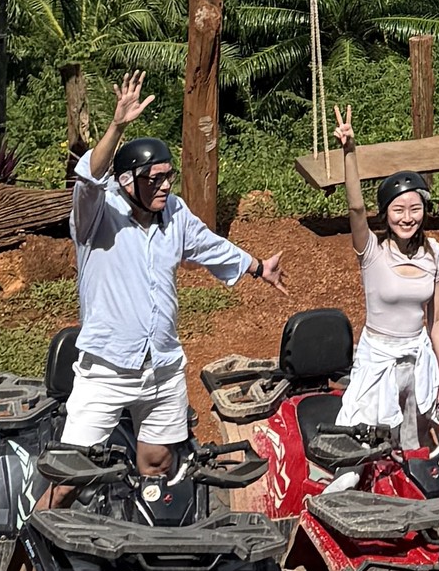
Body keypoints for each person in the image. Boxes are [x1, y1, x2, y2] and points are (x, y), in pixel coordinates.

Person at [60, 76, 284, 497]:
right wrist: (117, 126)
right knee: (71, 477)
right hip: (107, 366)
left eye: (169, 176)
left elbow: (209, 246)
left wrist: (256, 266)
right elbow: (89, 177)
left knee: (159, 466)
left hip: (161, 366)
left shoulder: (174, 215)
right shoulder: (96, 214)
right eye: (155, 178)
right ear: (128, 182)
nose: (166, 185)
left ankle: (145, 548)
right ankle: (26, 559)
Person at [331, 113, 439, 445]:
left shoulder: (434, 253)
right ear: (385, 213)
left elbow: (437, 320)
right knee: (357, 444)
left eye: (415, 209)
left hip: (418, 356)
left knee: (415, 444)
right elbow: (355, 208)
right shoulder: (372, 252)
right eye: (398, 210)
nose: (407, 218)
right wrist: (349, 151)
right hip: (377, 357)